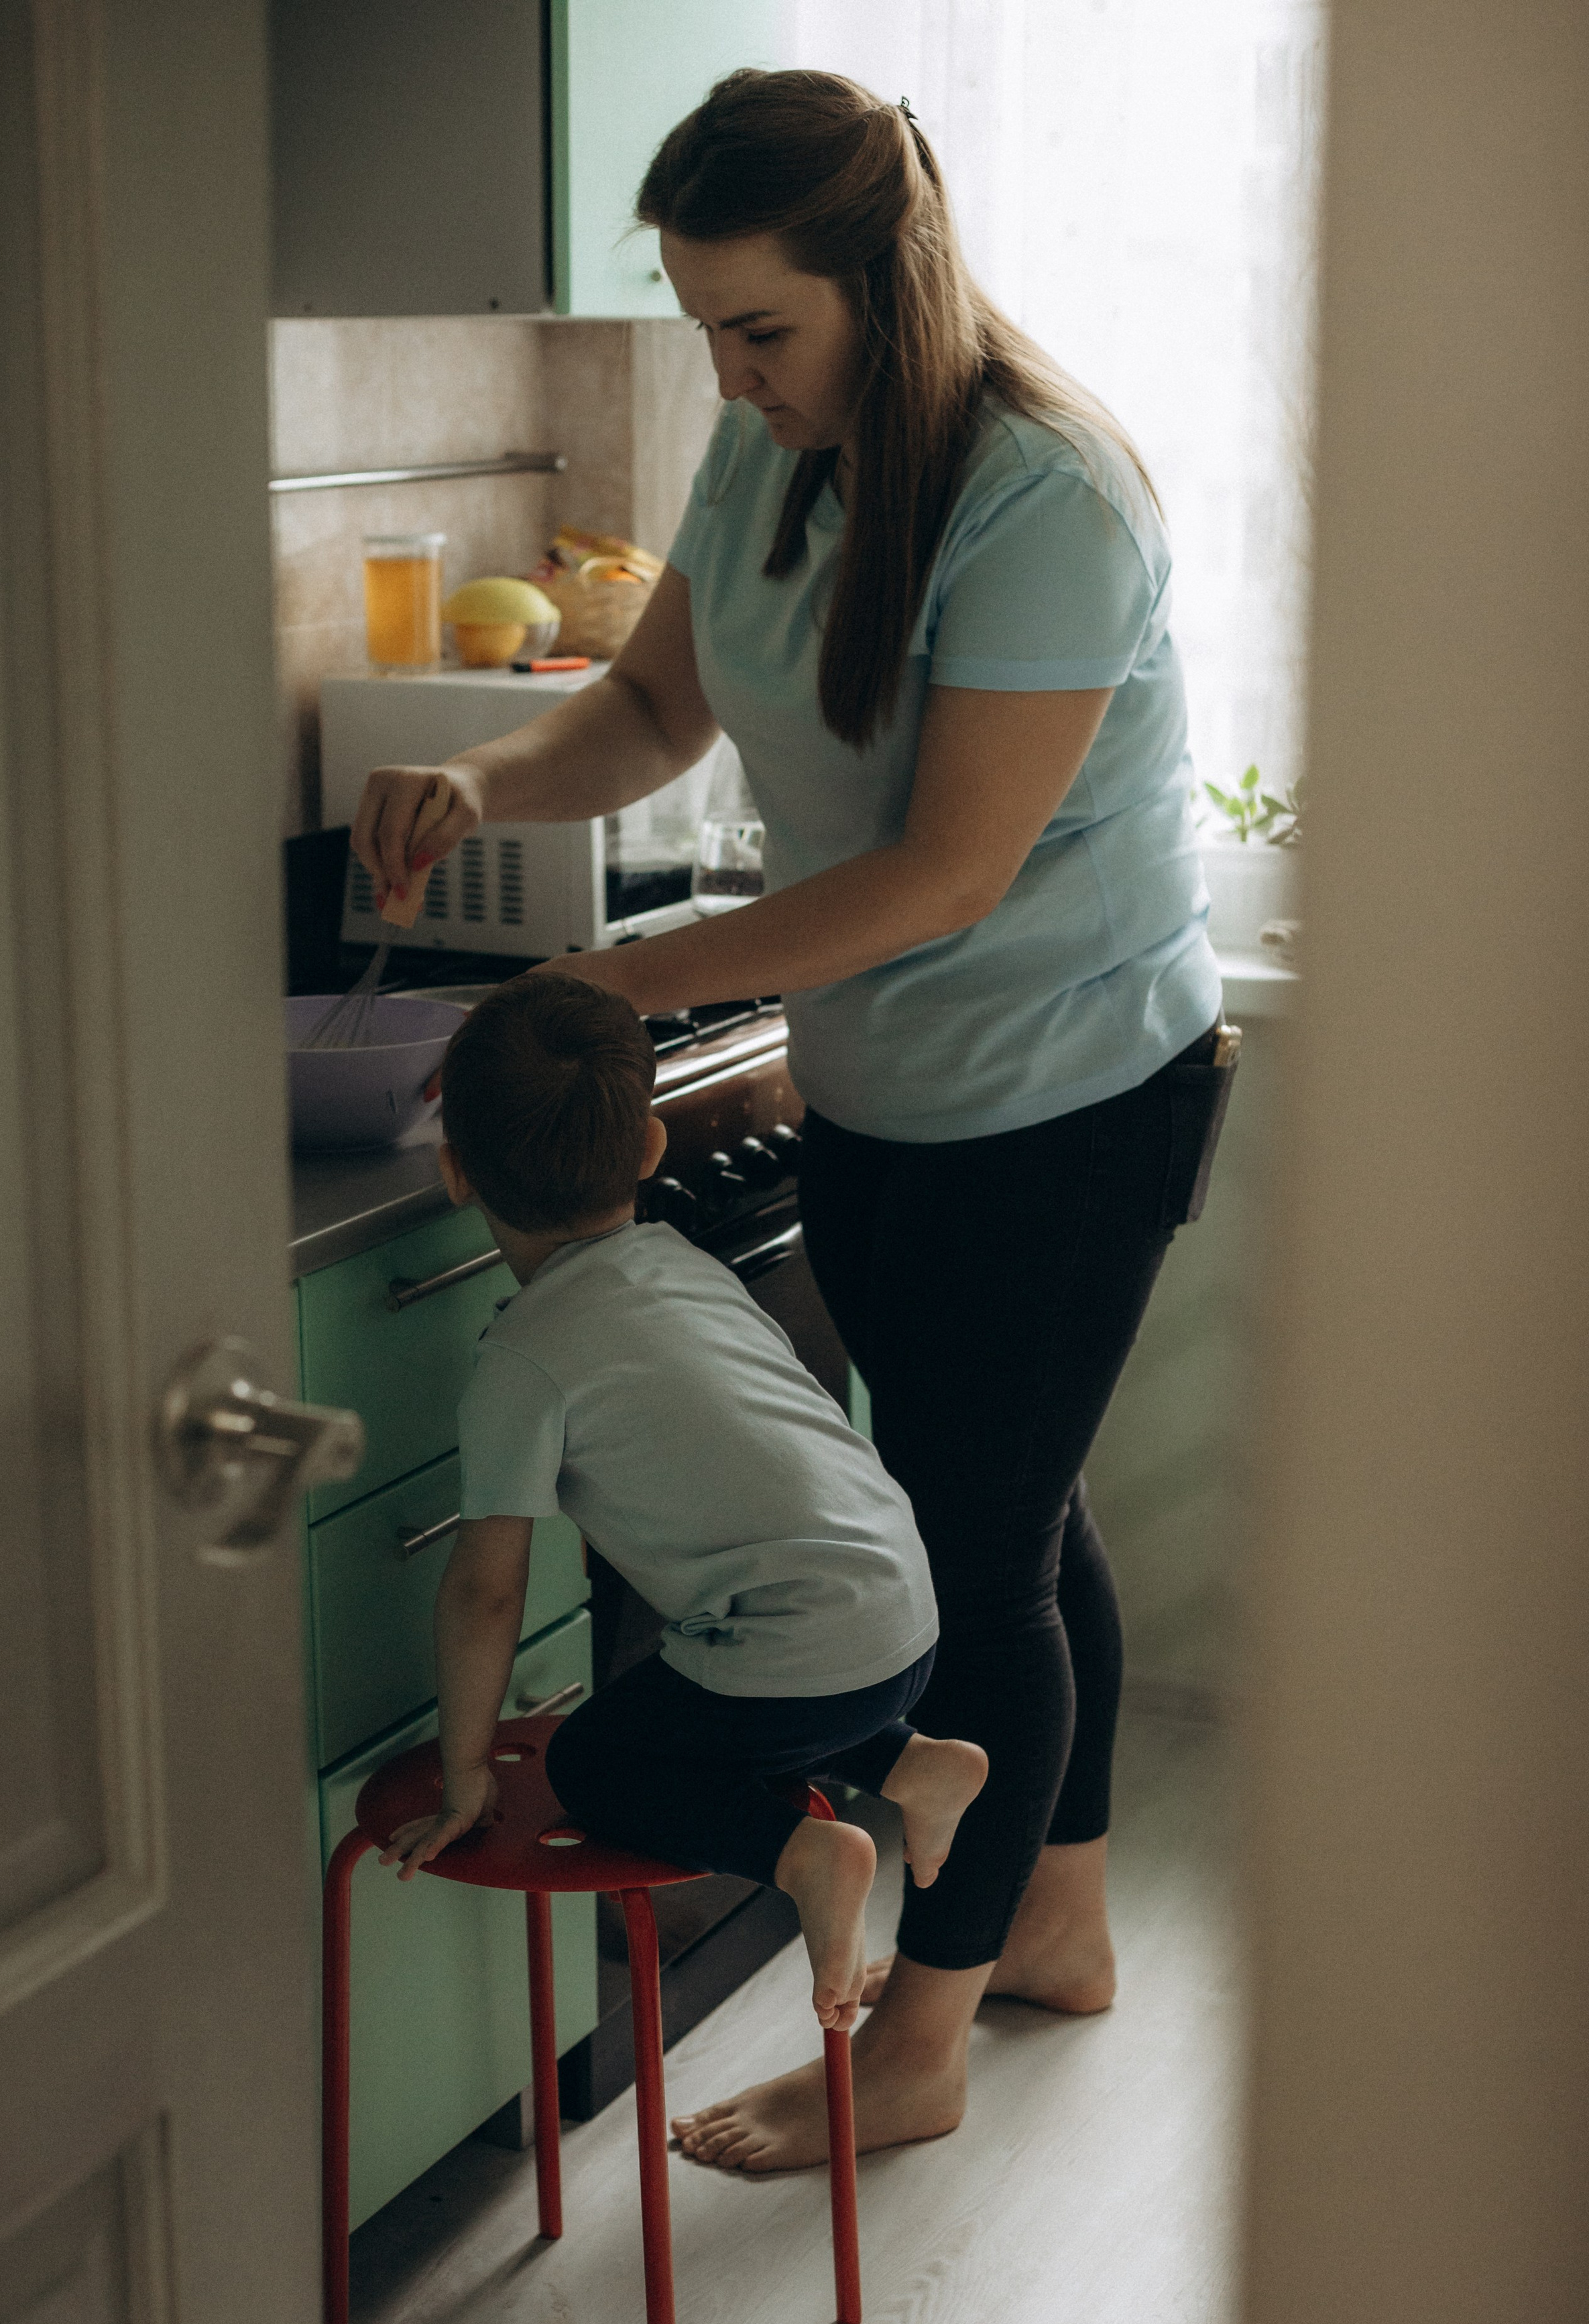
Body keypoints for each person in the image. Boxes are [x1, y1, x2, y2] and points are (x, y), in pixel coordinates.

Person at [353, 70, 1227, 2172]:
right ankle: (1061, 1925)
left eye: (762, 328)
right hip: (882, 1096)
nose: (730, 375)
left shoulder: (1045, 497)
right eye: (703, 327)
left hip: (1070, 1098)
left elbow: (944, 877)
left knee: (969, 1556)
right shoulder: (769, 461)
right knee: (1009, 1509)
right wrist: (484, 780)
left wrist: (615, 983)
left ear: (883, 287)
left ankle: (917, 2043)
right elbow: (654, 710)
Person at [379, 975, 988, 2037]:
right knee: (743, 1679)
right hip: (904, 1614)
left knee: (601, 1757)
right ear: (652, 1149)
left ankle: (806, 1855)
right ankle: (914, 1764)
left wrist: (466, 1770)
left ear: (454, 1173)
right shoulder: (678, 1262)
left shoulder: (525, 1361)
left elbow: (486, 1590)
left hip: (808, 1660)